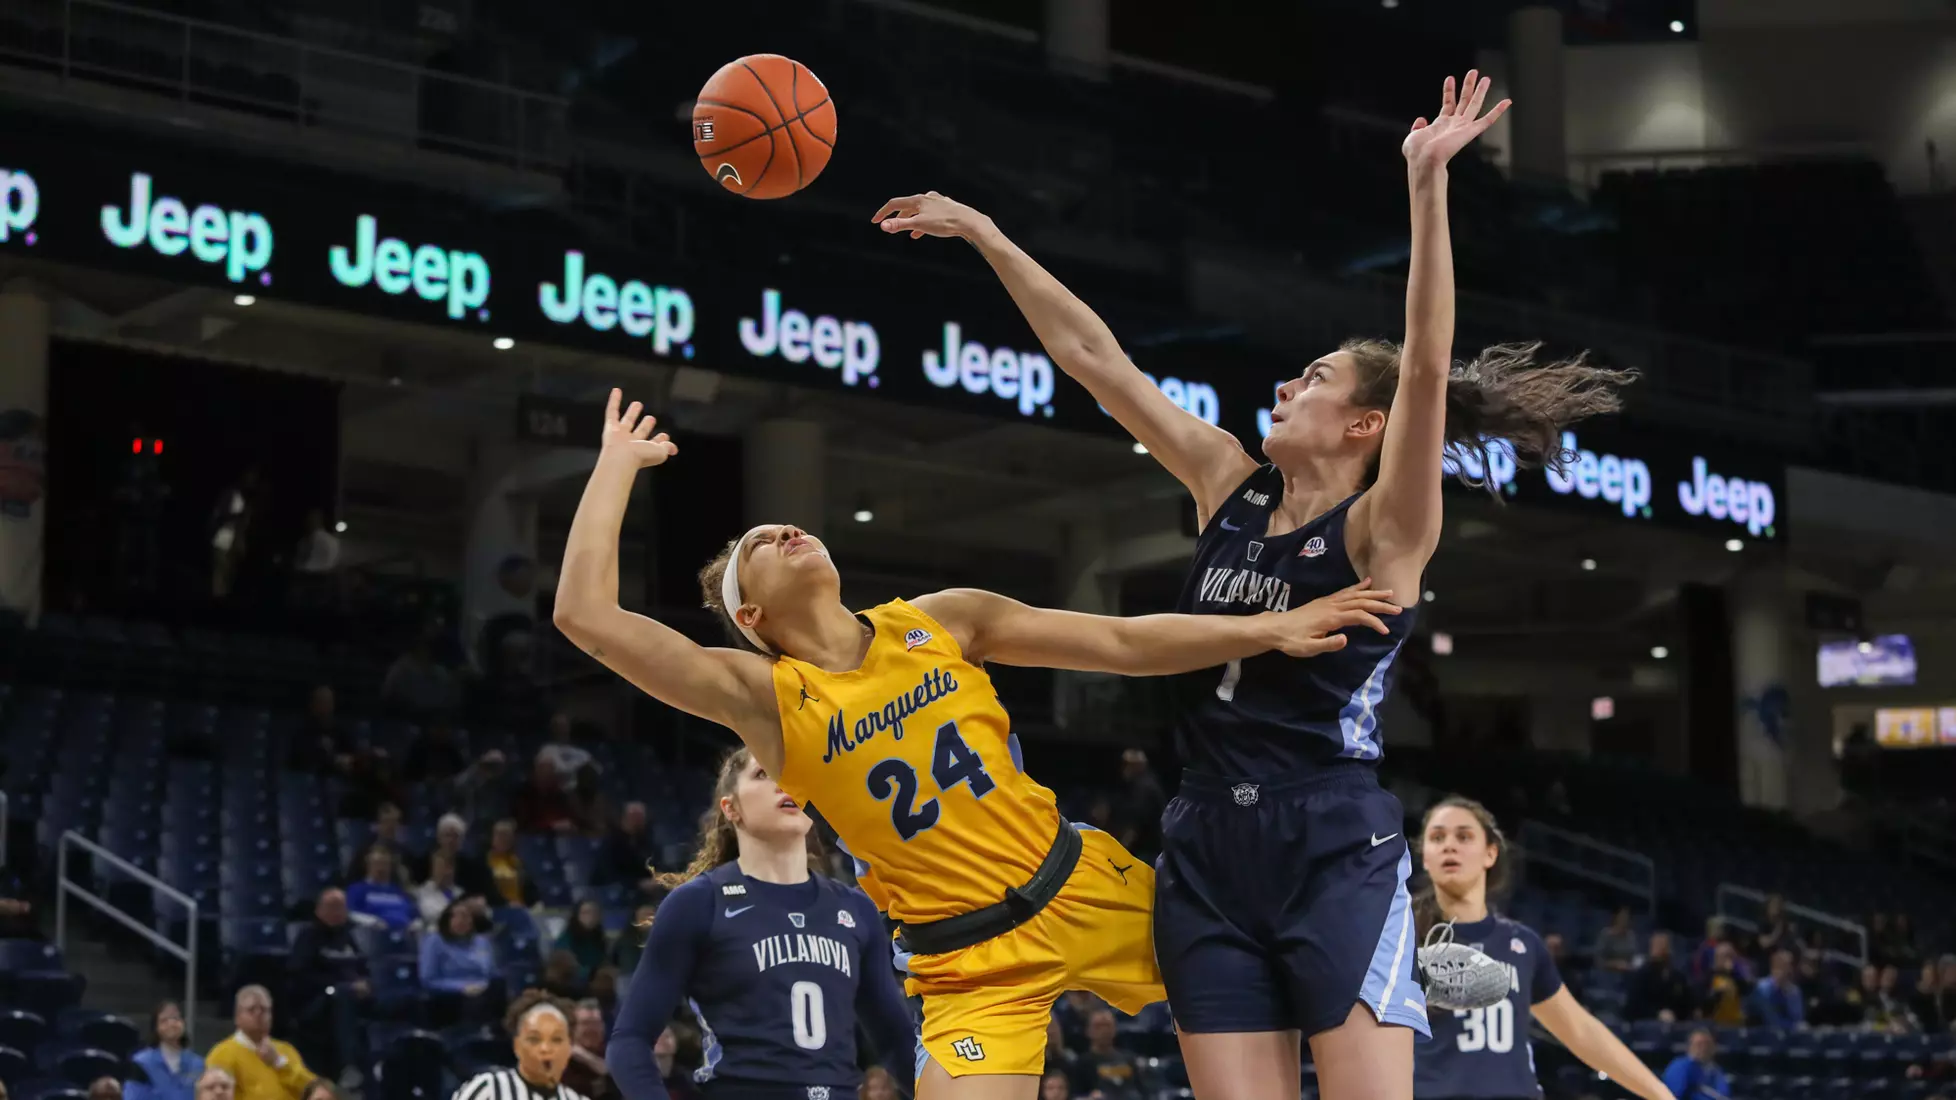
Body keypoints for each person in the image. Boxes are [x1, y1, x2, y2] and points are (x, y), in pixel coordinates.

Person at [871, 70, 1623, 1100]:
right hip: (1204, 842)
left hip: (1332, 839)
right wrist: (987, 233)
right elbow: (1098, 360)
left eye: (1313, 379)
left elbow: (1427, 368)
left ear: (1367, 424)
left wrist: (1425, 186)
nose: (1284, 384)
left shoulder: (1381, 530)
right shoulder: (1225, 480)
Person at [558, 374, 1402, 1097]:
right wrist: (616, 467)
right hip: (969, 964)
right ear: (751, 616)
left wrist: (1269, 627)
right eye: (759, 547)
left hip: (1084, 887)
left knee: (1315, 988)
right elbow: (585, 616)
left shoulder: (941, 621)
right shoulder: (762, 696)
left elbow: (1119, 643)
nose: (782, 530)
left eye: (784, 525)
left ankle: (1425, 968)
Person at [607, 748, 918, 1100]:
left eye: (791, 775)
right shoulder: (698, 903)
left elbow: (896, 1043)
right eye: (762, 774)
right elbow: (630, 1041)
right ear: (731, 809)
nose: (784, 784)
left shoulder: (856, 907)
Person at [1411, 797, 1675, 1100]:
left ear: (1490, 853)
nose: (1449, 845)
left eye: (1464, 836)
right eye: (1437, 837)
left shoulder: (1523, 944)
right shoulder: (1401, 942)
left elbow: (1581, 1031)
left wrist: (1661, 1094)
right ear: (1425, 858)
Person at [453, 992, 593, 1100]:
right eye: (534, 1039)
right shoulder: (488, 1088)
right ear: (517, 1045)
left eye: (556, 1040)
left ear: (569, 1048)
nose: (545, 1049)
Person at [205, 986, 312, 1100]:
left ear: (271, 1016)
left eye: (264, 1009)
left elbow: (312, 1090)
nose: (258, 1014)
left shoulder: (286, 1050)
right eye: (251, 1009)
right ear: (237, 1017)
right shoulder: (222, 1053)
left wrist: (278, 1063)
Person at [420, 900, 502, 1025]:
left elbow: (492, 972)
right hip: (451, 996)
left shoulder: (481, 941)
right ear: (447, 919)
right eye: (457, 916)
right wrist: (462, 987)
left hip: (484, 990)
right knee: (476, 1003)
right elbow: (428, 979)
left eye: (466, 916)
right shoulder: (434, 941)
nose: (462, 920)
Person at [127, 1001, 206, 1100]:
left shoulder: (198, 1064)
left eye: (176, 1018)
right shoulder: (141, 1063)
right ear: (156, 1027)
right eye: (164, 1020)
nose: (171, 1024)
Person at [346, 849, 417, 931]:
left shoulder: (400, 892)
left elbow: (414, 915)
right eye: (377, 864)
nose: (381, 868)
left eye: (384, 864)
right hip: (372, 934)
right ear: (368, 865)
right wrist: (372, 922)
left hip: (404, 935)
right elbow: (351, 914)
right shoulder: (357, 889)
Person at [565, 1000, 615, 1100]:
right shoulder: (564, 1061)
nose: (592, 1029)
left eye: (596, 1023)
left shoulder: (613, 1053)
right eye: (585, 1023)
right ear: (573, 1028)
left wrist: (587, 1057)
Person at [1660, 1029, 1731, 1100]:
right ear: (1690, 1046)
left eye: (1707, 1044)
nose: (1704, 1048)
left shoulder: (1715, 1069)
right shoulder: (1679, 1066)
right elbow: (1673, 1094)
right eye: (1699, 1044)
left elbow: (1724, 1094)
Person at [555, 899, 610, 982]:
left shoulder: (599, 938)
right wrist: (591, 972)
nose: (590, 917)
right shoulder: (567, 937)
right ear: (577, 915)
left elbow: (603, 962)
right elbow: (566, 965)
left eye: (594, 913)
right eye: (585, 913)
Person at [1593, 906, 1638, 973]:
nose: (1624, 919)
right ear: (1616, 917)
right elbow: (1598, 960)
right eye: (1622, 916)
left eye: (1627, 916)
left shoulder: (1631, 935)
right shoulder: (1605, 934)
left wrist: (1631, 965)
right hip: (1607, 973)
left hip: (1627, 972)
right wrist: (1615, 964)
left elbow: (1634, 956)